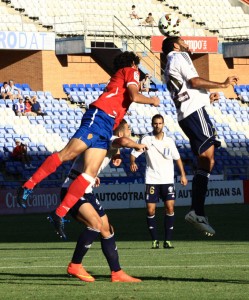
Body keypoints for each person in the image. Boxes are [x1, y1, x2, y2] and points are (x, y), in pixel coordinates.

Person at [17, 51, 160, 239]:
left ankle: (59, 213)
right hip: (99, 117)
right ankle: (28, 185)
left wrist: (115, 152)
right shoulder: (130, 70)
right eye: (137, 67)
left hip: (107, 125)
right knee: (66, 154)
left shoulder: (123, 83)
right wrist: (152, 100)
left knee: (90, 174)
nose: (138, 71)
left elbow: (126, 101)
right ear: (133, 64)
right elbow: (134, 95)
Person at [161, 36, 239, 236]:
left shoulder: (169, 63)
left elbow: (185, 90)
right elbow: (193, 81)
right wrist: (221, 84)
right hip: (194, 113)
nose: (186, 42)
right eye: (182, 40)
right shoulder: (180, 56)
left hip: (187, 114)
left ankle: (198, 211)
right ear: (176, 45)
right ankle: (197, 210)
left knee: (207, 160)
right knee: (207, 159)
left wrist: (206, 97)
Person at [59, 120, 143, 283]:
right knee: (95, 224)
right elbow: (123, 141)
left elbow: (90, 162)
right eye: (128, 128)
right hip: (73, 189)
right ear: (119, 132)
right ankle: (75, 264)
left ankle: (117, 273)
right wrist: (136, 146)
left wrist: (95, 175)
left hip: (86, 190)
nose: (130, 130)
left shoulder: (105, 144)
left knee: (107, 229)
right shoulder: (108, 139)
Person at [130, 114, 188, 249]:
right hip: (152, 179)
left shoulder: (169, 141)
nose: (158, 125)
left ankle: (167, 241)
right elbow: (134, 153)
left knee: (170, 208)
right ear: (152, 124)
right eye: (155, 123)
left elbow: (177, 158)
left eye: (160, 123)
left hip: (167, 179)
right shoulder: (146, 139)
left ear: (163, 124)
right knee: (150, 210)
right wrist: (132, 162)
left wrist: (183, 175)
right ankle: (155, 240)